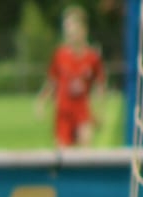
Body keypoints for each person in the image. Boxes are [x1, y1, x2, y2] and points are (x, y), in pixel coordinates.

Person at [38, 5, 106, 147]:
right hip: (64, 113)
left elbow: (100, 85)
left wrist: (100, 110)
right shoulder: (60, 55)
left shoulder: (92, 57)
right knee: (63, 154)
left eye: (73, 29)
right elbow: (52, 81)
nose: (69, 33)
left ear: (83, 30)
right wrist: (42, 101)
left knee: (85, 151)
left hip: (82, 112)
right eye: (67, 29)